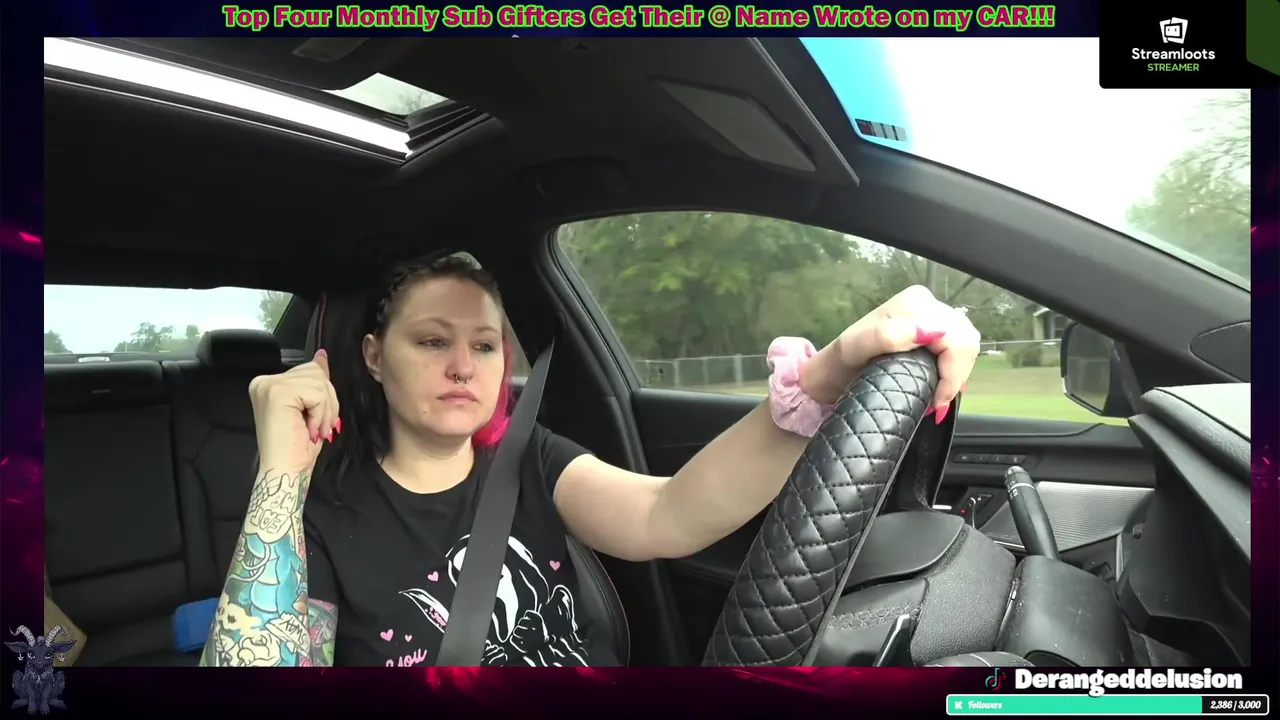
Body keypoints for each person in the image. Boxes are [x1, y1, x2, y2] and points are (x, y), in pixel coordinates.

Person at [198, 255, 980, 668]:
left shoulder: (527, 458)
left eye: (484, 345)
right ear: (374, 356)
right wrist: (281, 473)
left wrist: (826, 376)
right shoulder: (321, 519)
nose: (464, 366)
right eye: (433, 340)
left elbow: (667, 514)